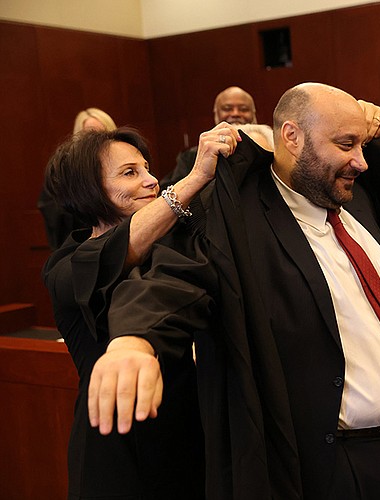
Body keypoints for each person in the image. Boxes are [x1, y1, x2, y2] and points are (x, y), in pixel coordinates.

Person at [86, 83, 380, 499]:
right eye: (346, 144)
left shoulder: (353, 200)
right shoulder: (243, 222)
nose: (362, 162)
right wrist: (133, 343)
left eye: (362, 146)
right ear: (291, 138)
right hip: (336, 466)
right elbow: (173, 279)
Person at [41, 122, 241, 498]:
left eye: (147, 168)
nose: (151, 181)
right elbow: (120, 248)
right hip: (117, 447)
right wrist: (195, 177)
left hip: (185, 436)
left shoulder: (169, 246)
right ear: (88, 189)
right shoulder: (65, 265)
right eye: (130, 173)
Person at [38, 108, 119, 250]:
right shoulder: (64, 170)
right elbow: (54, 211)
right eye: (91, 133)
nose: (97, 139)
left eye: (103, 132)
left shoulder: (126, 164)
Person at [162, 85, 258, 185]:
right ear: (216, 114)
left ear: (254, 114)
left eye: (243, 109)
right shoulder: (194, 155)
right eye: (227, 109)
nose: (235, 113)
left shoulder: (269, 149)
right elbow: (172, 191)